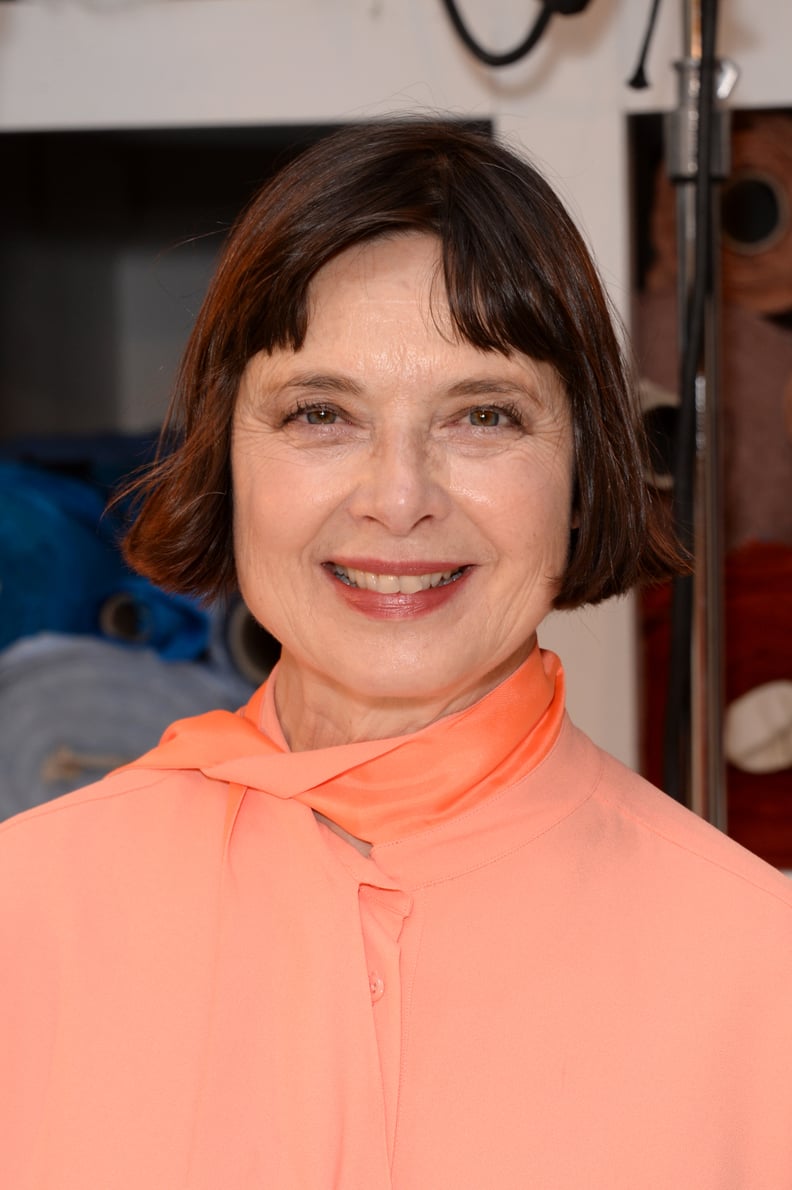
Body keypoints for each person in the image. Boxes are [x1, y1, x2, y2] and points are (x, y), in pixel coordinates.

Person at [1, 119, 790, 1189]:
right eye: (322, 412)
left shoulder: (757, 976)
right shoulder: (30, 919)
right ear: (226, 457)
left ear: (584, 471)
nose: (400, 498)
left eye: (484, 415)